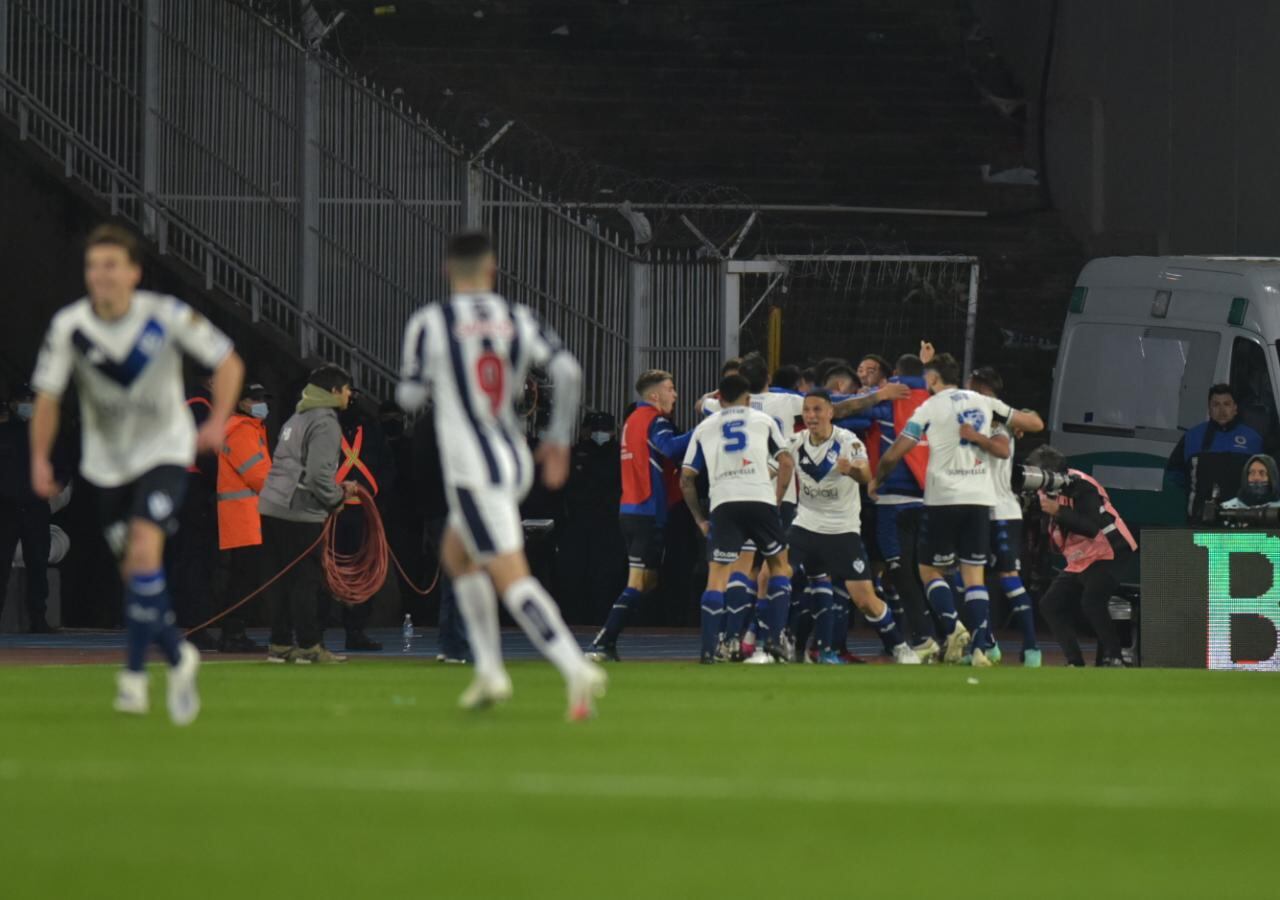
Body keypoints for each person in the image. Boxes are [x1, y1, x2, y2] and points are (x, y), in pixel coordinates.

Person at [30, 222, 244, 724]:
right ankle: (176, 654)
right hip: (107, 466)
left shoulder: (165, 316)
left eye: (110, 265)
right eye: (92, 266)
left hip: (165, 456)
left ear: (133, 272)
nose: (100, 275)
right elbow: (47, 398)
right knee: (135, 573)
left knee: (145, 548)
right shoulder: (70, 326)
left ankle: (132, 677)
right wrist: (40, 459)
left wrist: (217, 421)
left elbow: (228, 361)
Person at [397, 231, 607, 721]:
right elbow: (570, 372)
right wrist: (556, 438)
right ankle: (489, 671)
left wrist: (435, 382)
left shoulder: (433, 321)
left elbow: (408, 397)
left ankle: (574, 667)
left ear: (449, 270)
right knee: (457, 552)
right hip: (510, 455)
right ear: (492, 270)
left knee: (510, 576)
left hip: (473, 467)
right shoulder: (517, 318)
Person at [874, 352, 1043, 667]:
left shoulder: (929, 406)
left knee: (929, 570)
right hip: (980, 501)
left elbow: (899, 448)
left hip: (943, 499)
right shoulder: (984, 403)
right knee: (974, 577)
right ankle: (980, 650)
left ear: (934, 379)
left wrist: (878, 477)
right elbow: (1030, 422)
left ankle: (953, 628)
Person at [787, 391, 920, 664]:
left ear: (830, 413)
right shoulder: (795, 442)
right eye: (807, 410)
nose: (811, 416)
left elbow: (866, 474)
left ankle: (899, 646)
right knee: (771, 576)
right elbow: (773, 468)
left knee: (864, 599)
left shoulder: (848, 441)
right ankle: (765, 644)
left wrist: (851, 470)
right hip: (805, 525)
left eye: (818, 410)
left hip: (841, 530)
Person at [681, 373, 795, 663]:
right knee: (779, 566)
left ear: (719, 399)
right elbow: (785, 461)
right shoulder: (762, 420)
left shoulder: (705, 427)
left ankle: (709, 650)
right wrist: (778, 499)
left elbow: (686, 479)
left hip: (724, 503)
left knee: (717, 576)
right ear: (747, 399)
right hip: (760, 499)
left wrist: (699, 518)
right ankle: (775, 639)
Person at [587, 371, 690, 661]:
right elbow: (670, 448)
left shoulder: (632, 421)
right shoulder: (655, 421)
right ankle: (603, 642)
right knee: (638, 582)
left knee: (648, 580)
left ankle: (607, 641)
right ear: (654, 395)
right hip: (646, 513)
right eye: (671, 389)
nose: (675, 395)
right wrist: (707, 428)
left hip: (630, 510)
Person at [257, 365, 356, 663]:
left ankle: (280, 643)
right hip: (299, 511)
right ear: (334, 391)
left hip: (272, 506)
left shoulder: (296, 417)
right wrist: (336, 498)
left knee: (282, 580)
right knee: (305, 580)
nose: (350, 395)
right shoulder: (325, 422)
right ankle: (310, 646)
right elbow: (316, 476)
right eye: (348, 389)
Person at [1027, 446, 1138, 667]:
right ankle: (1074, 662)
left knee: (1092, 601)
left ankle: (1115, 657)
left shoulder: (1082, 485)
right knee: (1050, 604)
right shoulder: (1044, 491)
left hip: (1110, 549)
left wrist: (1057, 510)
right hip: (1080, 556)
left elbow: (1091, 528)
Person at [965, 367, 1040, 667]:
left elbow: (1003, 448)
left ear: (982, 389)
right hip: (978, 509)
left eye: (971, 386)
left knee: (1008, 577)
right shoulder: (978, 417)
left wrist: (974, 437)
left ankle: (1032, 649)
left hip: (1002, 512)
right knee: (969, 577)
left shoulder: (998, 422)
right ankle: (985, 644)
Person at [212, 382, 272, 653]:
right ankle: (233, 633)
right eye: (254, 399)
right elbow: (257, 475)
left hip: (244, 516)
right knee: (243, 578)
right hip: (245, 517)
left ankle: (235, 632)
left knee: (243, 576)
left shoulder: (248, 430)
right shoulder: (242, 431)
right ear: (241, 403)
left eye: (262, 398)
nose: (261, 404)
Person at [332, 397, 395, 651]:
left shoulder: (371, 430)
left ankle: (356, 630)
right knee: (328, 570)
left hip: (364, 513)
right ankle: (313, 632)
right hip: (333, 511)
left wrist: (373, 495)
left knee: (363, 572)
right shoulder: (324, 427)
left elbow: (387, 468)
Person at [0, 383, 62, 632]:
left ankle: (38, 618)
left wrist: (56, 484)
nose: (27, 406)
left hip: (36, 507)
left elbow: (62, 465)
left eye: (30, 401)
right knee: (1, 564)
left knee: (37, 564)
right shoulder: (3, 433)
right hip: (5, 508)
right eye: (22, 401)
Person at [1166, 384, 1262, 523]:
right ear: (1209, 410)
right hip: (1200, 522)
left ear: (1235, 408)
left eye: (1227, 404)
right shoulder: (1192, 437)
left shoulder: (1253, 440)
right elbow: (1174, 473)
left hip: (1240, 523)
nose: (1222, 410)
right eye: (1216, 405)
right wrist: (1198, 492)